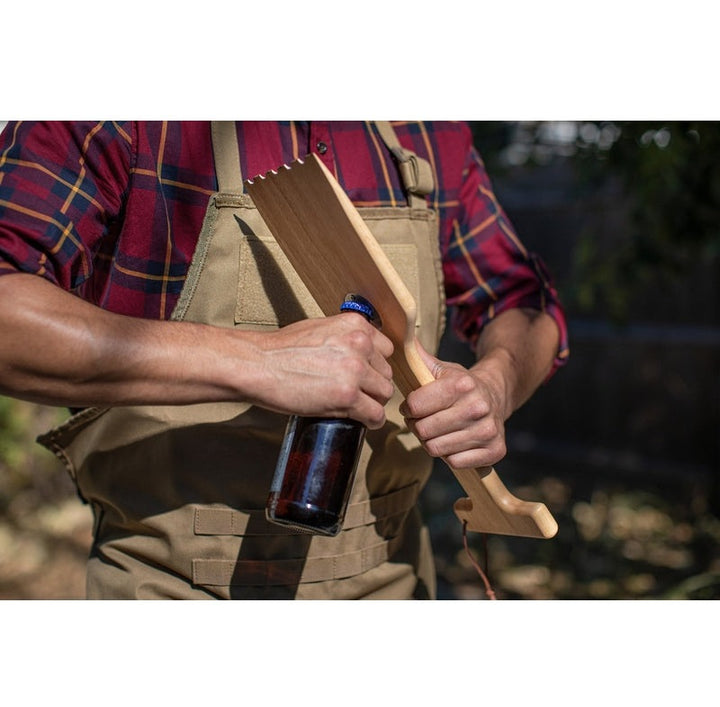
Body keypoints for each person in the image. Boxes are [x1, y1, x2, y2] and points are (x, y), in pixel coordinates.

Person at [0, 121, 568, 599]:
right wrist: (258, 362)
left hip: (396, 585)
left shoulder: (426, 128)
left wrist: (494, 385)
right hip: (172, 589)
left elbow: (521, 299)